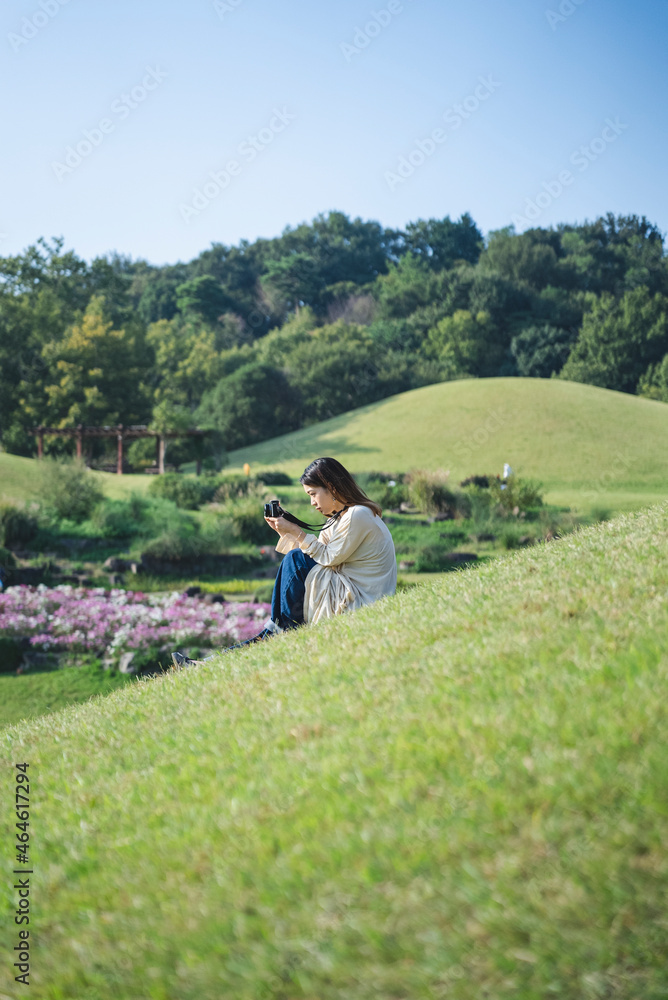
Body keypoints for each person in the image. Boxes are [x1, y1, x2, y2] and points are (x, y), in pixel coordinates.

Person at [171, 457, 397, 668]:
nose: (312, 503)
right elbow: (316, 555)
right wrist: (287, 531)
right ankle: (215, 660)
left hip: (359, 599)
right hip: (346, 590)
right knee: (294, 567)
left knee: (296, 561)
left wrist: (297, 533)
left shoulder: (358, 515)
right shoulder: (340, 518)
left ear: (332, 487)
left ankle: (276, 631)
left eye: (313, 494)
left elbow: (325, 558)